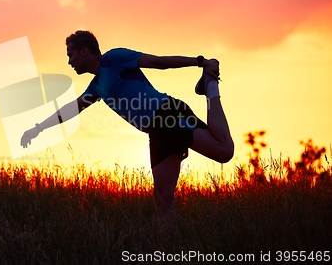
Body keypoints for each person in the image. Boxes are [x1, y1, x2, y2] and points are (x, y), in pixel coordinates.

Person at [21, 30, 234, 228]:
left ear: (84, 51)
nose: (69, 62)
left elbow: (159, 62)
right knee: (162, 200)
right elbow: (72, 109)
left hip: (168, 114)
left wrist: (200, 62)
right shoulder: (97, 86)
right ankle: (167, 251)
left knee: (224, 151)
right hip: (157, 131)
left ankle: (210, 86)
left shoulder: (114, 58)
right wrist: (38, 128)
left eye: (71, 55)